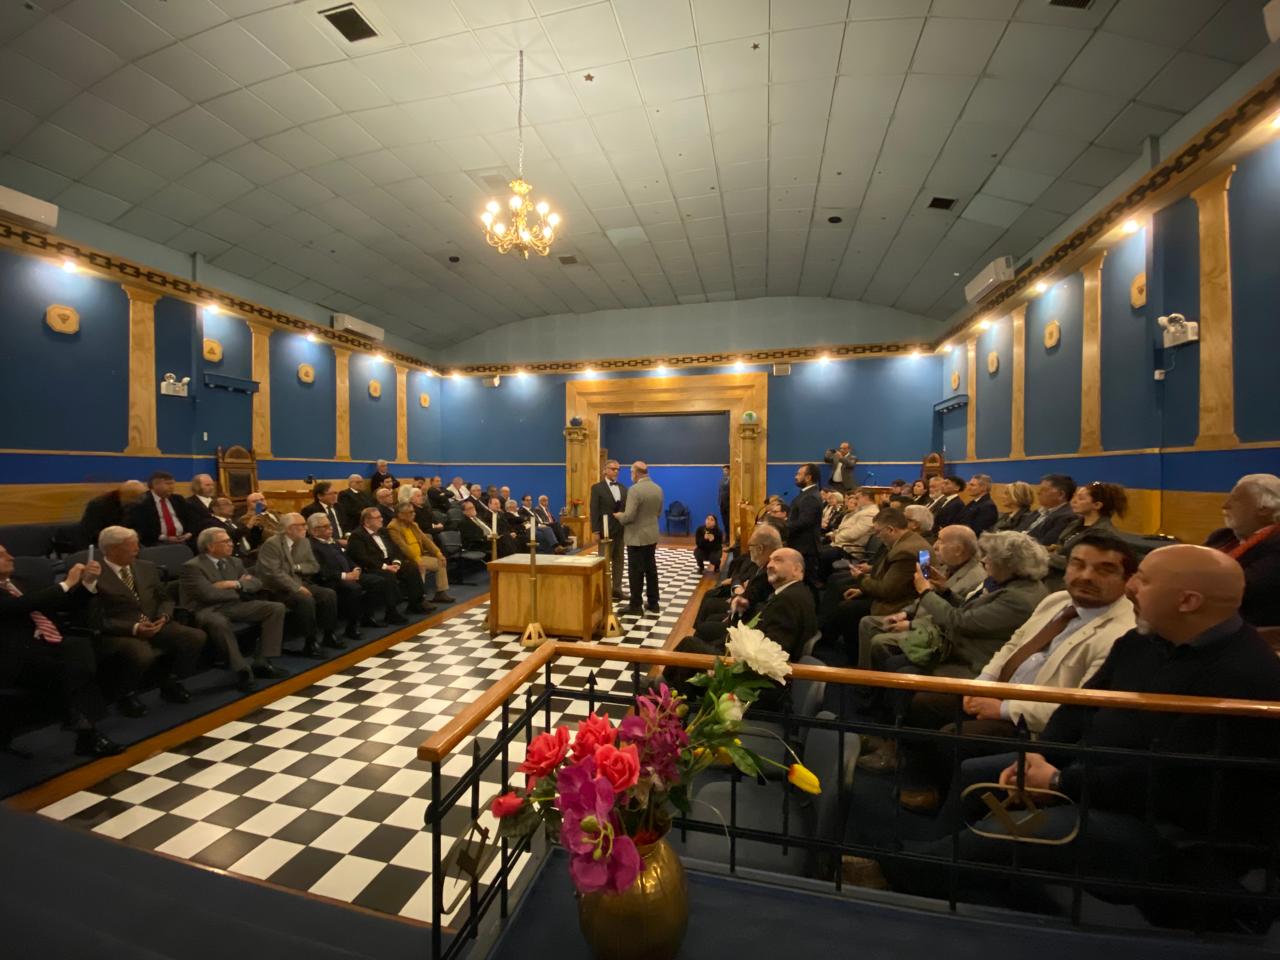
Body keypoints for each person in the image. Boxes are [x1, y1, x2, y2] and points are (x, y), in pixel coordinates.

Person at [853, 545, 1280, 920]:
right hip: (1094, 779)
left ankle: (905, 873)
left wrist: (1058, 781)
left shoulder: (1243, 678)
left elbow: (1170, 781)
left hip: (1166, 829)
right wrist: (1045, 759)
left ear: (1187, 601)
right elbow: (1079, 708)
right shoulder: (1143, 641)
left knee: (1022, 828)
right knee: (981, 772)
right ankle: (941, 854)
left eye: (1143, 581)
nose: (1132, 588)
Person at [0, 544, 121, 757]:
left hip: (45, 646)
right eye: (2, 555)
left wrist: (87, 582)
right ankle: (87, 733)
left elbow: (63, 605)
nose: (11, 557)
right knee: (72, 669)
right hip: (12, 657)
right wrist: (67, 583)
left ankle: (86, 730)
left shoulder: (21, 582)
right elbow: (20, 606)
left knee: (78, 654)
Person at [669, 547, 817, 712]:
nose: (770, 564)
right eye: (770, 560)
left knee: (689, 645)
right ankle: (672, 694)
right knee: (709, 642)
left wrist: (736, 651)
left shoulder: (789, 600)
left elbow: (774, 651)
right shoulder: (794, 592)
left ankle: (673, 704)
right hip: (755, 667)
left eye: (778, 560)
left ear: (797, 570)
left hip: (759, 682)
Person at [91, 526, 206, 715]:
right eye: (132, 546)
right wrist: (135, 628)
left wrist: (164, 616)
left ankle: (171, 680)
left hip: (155, 622)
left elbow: (165, 599)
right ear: (112, 549)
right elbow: (98, 619)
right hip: (121, 631)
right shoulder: (94, 576)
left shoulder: (146, 567)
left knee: (195, 637)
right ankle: (125, 694)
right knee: (142, 654)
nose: (137, 550)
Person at [857, 524, 983, 672]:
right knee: (867, 622)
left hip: (937, 634)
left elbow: (953, 619)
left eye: (941, 541)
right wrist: (904, 613)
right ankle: (866, 677)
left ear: (958, 550)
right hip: (917, 617)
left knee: (880, 641)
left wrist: (912, 625)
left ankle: (878, 684)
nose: (935, 546)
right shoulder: (946, 566)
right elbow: (923, 595)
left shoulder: (974, 579)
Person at [179, 527, 287, 693]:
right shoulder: (192, 567)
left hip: (234, 605)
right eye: (226, 541)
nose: (231, 544)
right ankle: (241, 670)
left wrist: (233, 584)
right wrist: (240, 588)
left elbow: (256, 583)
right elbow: (207, 595)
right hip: (207, 610)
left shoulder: (234, 562)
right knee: (219, 623)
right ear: (210, 547)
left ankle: (263, 660)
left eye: (230, 540)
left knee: (275, 608)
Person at [817, 507, 930, 665]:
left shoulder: (904, 551)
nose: (876, 536)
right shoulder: (913, 542)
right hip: (905, 595)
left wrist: (861, 578)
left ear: (890, 530)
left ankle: (854, 662)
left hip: (902, 603)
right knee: (845, 596)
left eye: (878, 532)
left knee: (847, 610)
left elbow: (887, 591)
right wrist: (862, 589)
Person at [256, 512, 341, 656]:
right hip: (277, 588)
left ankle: (329, 634)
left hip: (300, 581)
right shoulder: (272, 544)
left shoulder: (304, 542)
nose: (305, 528)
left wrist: (296, 568)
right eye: (301, 525)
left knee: (328, 594)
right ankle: (310, 641)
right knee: (305, 599)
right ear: (289, 529)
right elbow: (273, 573)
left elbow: (314, 566)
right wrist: (296, 587)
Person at [307, 511, 405, 633]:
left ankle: (368, 616)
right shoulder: (311, 546)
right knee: (353, 588)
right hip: (332, 579)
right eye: (326, 527)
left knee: (377, 581)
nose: (331, 528)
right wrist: (345, 576)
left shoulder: (332, 541)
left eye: (330, 525)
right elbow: (321, 569)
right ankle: (352, 626)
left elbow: (347, 558)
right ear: (315, 530)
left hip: (350, 574)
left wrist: (356, 569)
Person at [1205, 473, 1280, 626]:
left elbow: (1243, 588)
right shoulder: (1221, 537)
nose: (1225, 505)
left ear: (1264, 508)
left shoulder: (1276, 544)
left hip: (1247, 632)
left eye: (1235, 500)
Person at [346, 507, 427, 615]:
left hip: (389, 563)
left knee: (411, 568)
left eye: (381, 517)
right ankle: (392, 611)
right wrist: (385, 566)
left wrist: (396, 562)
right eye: (377, 517)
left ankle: (416, 603)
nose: (381, 519)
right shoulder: (357, 535)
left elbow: (395, 549)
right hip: (372, 567)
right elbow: (362, 558)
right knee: (388, 575)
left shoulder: (383, 531)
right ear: (367, 521)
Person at [1047, 481, 1127, 579]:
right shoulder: (1074, 524)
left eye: (1081, 498)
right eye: (1075, 496)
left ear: (1097, 505)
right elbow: (1061, 547)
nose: (1074, 501)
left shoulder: (1102, 534)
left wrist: (1043, 556)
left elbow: (1079, 564)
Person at [615, 461, 663, 617]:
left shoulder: (634, 490)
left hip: (637, 537)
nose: (631, 476)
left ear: (636, 473)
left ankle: (635, 605)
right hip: (652, 534)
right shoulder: (658, 488)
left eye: (631, 472)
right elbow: (658, 512)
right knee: (651, 569)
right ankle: (653, 603)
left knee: (635, 571)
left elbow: (629, 516)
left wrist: (619, 516)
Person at [386, 502, 456, 606]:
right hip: (407, 559)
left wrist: (438, 553)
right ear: (400, 514)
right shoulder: (393, 527)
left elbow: (426, 541)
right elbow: (402, 546)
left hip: (420, 556)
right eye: (410, 512)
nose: (413, 514)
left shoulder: (414, 524)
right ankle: (420, 599)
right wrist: (417, 560)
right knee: (419, 567)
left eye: (413, 512)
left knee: (440, 562)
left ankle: (441, 593)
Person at [591, 460, 628, 601]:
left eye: (618, 469)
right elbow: (594, 510)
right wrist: (595, 530)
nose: (616, 471)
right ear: (605, 470)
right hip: (605, 530)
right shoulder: (597, 488)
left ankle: (617, 589)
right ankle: (603, 589)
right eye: (613, 469)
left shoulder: (624, 488)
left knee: (619, 560)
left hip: (620, 530)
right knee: (604, 560)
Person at [126, 471, 192, 548]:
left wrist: (189, 533)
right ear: (155, 485)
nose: (172, 487)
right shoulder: (142, 502)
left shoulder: (178, 499)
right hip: (155, 542)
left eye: (173, 483)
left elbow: (190, 519)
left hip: (183, 540)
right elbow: (141, 528)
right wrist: (164, 538)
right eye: (168, 484)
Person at [80, 479, 147, 546]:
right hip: (104, 545)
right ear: (128, 496)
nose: (141, 501)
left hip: (128, 543)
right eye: (139, 498)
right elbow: (91, 532)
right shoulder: (98, 506)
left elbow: (138, 527)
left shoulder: (135, 505)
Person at [787, 463, 823, 578]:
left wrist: (783, 527)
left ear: (808, 478)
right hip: (801, 545)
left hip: (805, 548)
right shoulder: (806, 494)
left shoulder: (810, 496)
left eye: (798, 474)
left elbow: (805, 521)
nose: (795, 476)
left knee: (807, 581)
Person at [1025, 474, 1077, 547]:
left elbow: (1045, 543)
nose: (1038, 492)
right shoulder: (1036, 512)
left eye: (1044, 490)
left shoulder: (1067, 517)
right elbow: (1017, 531)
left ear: (1061, 495)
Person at [718, 465, 731, 539]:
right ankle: (726, 537)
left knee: (729, 522)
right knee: (725, 522)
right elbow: (720, 491)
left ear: (729, 471)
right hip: (722, 503)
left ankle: (729, 538)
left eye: (726, 470)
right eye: (723, 471)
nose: (724, 472)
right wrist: (719, 501)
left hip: (728, 504)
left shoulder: (731, 480)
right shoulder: (722, 480)